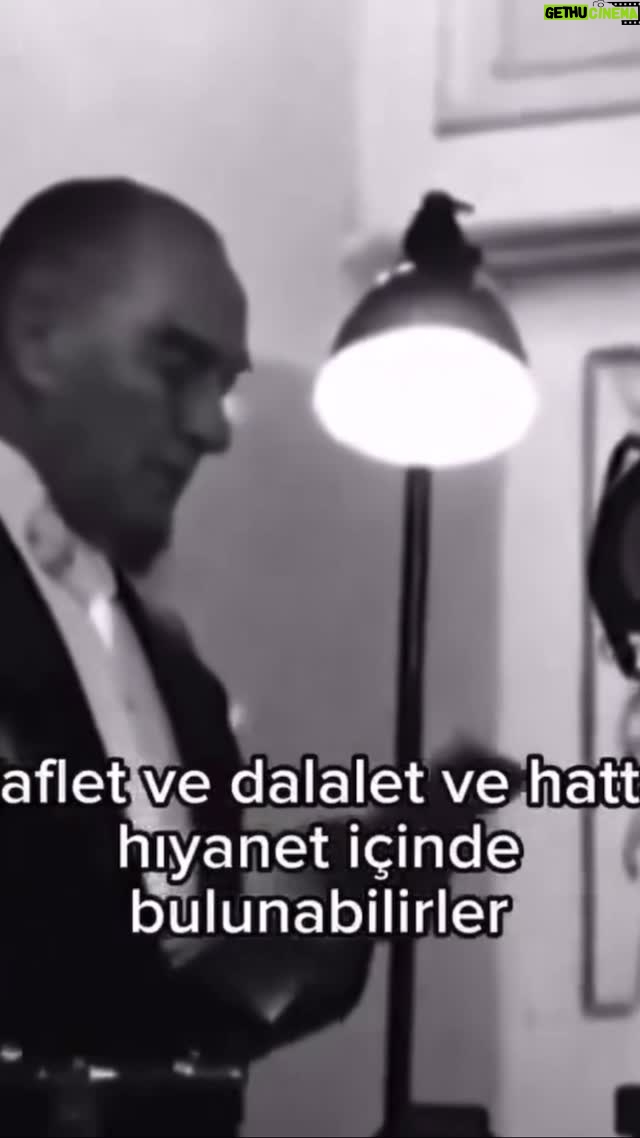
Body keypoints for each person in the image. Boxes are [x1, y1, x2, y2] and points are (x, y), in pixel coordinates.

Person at [0, 178, 522, 1132]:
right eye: (176, 365)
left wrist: (354, 881)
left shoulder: (173, 676)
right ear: (37, 340)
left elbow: (181, 1001)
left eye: (226, 382)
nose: (212, 428)